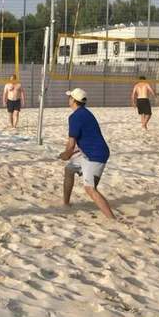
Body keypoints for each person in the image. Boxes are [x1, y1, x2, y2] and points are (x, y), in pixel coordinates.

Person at [59, 88, 115, 219]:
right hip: (88, 152)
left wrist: (66, 154)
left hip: (95, 156)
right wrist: (70, 152)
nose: (68, 99)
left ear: (73, 100)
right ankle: (66, 204)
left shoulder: (75, 117)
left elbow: (71, 144)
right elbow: (83, 138)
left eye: (70, 97)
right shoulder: (86, 113)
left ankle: (112, 219)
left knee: (90, 189)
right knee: (69, 170)